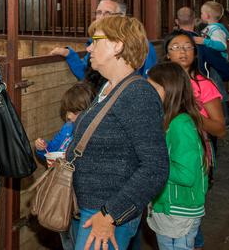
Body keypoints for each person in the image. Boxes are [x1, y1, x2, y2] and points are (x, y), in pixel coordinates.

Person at [68, 16, 169, 250]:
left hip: (105, 213)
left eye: (95, 40)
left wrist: (111, 214)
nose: (89, 47)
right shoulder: (109, 87)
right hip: (90, 207)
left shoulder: (137, 94)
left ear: (118, 45)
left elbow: (156, 167)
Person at [164, 30, 227, 250]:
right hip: (166, 154)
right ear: (167, 55)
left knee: (189, 209)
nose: (182, 51)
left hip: (196, 155)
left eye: (188, 46)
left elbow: (220, 129)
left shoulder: (204, 85)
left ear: (195, 52)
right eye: (176, 47)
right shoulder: (158, 82)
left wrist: (191, 114)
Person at [146, 62, 208, 250]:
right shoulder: (170, 120)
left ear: (170, 89)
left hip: (179, 211)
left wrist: (153, 164)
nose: (147, 94)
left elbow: (186, 175)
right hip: (171, 208)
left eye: (153, 88)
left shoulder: (180, 125)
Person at [34, 82, 95, 250]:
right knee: (66, 235)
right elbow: (51, 150)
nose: (69, 116)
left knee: (81, 237)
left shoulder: (95, 133)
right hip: (63, 193)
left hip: (82, 196)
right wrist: (42, 148)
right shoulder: (67, 129)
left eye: (74, 112)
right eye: (67, 110)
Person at [50, 0, 157, 90]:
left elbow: (149, 83)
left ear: (121, 16)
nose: (101, 17)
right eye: (99, 12)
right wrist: (69, 55)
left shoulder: (141, 45)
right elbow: (87, 75)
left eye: (107, 13)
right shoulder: (94, 42)